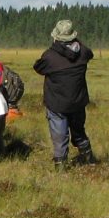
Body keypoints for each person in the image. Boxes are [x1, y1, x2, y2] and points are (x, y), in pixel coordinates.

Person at [33, 19, 97, 169]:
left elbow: (38, 68)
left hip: (57, 104)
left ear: (56, 37)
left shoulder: (50, 56)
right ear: (73, 36)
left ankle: (61, 168)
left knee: (59, 136)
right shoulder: (83, 52)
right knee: (79, 132)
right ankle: (90, 162)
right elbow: (90, 54)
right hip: (78, 102)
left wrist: (55, 46)